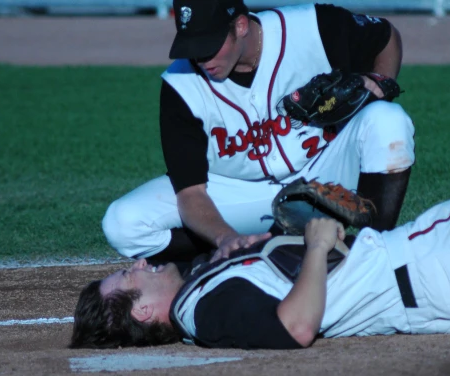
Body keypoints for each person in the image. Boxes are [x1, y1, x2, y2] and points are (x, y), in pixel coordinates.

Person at [70, 153, 450, 349]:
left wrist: (280, 236)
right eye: (128, 276)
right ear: (143, 311)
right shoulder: (206, 308)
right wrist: (319, 245)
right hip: (427, 263)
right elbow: (296, 327)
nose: (139, 263)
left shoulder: (205, 286)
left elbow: (274, 288)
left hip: (444, 305)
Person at [101, 0, 414, 265]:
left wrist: (378, 83)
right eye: (192, 48)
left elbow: (387, 37)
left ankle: (374, 255)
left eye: (209, 46)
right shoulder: (180, 86)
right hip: (241, 195)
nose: (201, 59)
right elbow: (190, 193)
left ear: (240, 26)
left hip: (325, 178)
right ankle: (230, 256)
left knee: (388, 120)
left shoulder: (313, 28)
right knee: (123, 223)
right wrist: (227, 239)